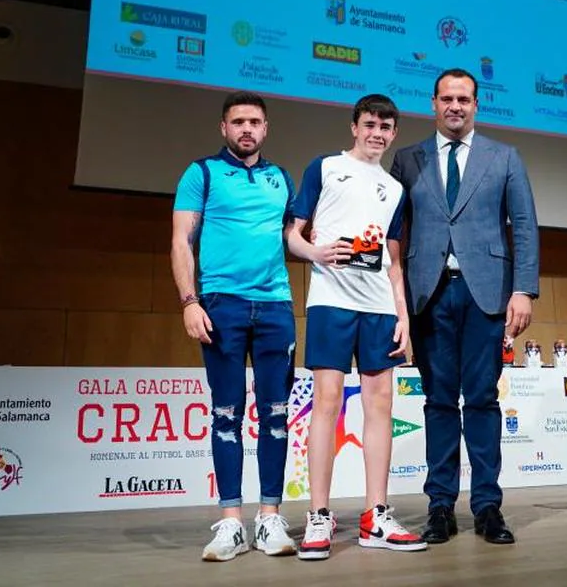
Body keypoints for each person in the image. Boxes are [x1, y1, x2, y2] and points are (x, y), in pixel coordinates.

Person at [388, 68, 539, 545]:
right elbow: (392, 234)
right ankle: (439, 507)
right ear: (432, 102)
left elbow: (526, 226)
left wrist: (523, 289)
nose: (456, 106)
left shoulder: (505, 157)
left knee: (482, 400)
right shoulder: (407, 159)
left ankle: (488, 507)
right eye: (447, 98)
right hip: (427, 295)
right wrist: (392, 301)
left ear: (477, 104)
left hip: (487, 293)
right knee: (436, 402)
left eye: (465, 99)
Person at [287, 93, 427, 561]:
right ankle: (320, 517)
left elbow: (394, 261)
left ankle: (376, 516)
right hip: (330, 302)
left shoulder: (395, 189)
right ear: (354, 126)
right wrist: (314, 253)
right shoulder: (324, 168)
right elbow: (293, 232)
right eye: (370, 124)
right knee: (326, 402)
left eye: (386, 127)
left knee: (380, 405)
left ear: (393, 134)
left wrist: (404, 317)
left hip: (380, 309)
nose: (377, 133)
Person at [171, 91, 298, 562]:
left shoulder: (282, 178)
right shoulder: (201, 173)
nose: (247, 128)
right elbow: (181, 241)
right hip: (220, 305)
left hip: (275, 308)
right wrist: (189, 301)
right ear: (224, 128)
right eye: (238, 121)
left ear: (266, 129)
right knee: (225, 415)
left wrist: (324, 249)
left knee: (277, 417)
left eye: (255, 122)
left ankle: (269, 519)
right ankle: (230, 524)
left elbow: (293, 239)